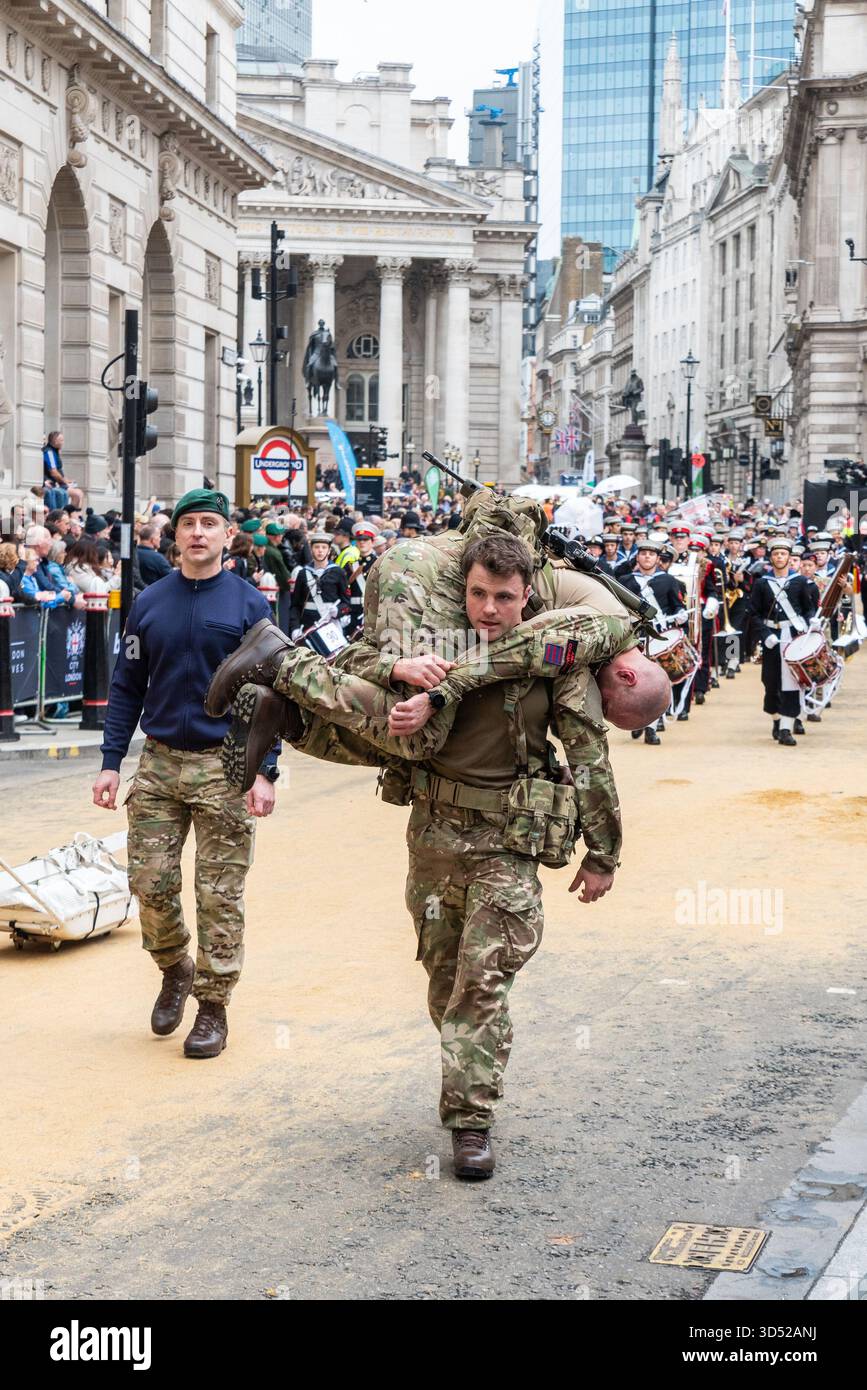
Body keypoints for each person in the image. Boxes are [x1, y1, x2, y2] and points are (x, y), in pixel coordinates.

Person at [207, 530, 670, 1177]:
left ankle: (470, 1122)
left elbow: (588, 756)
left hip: (506, 845)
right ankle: (284, 711)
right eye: (476, 593)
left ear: (526, 595)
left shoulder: (556, 660)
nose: (487, 608)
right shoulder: (430, 634)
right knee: (445, 983)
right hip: (433, 833)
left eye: (502, 597)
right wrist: (398, 670)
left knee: (482, 985)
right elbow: (358, 660)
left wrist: (603, 854)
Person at [91, 489, 280, 1059]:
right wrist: (108, 762)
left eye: (209, 524)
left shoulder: (251, 606)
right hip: (159, 763)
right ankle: (175, 967)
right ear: (175, 536)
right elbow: (126, 688)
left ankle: (214, 1008)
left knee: (219, 894)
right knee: (149, 883)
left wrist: (265, 770)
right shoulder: (149, 604)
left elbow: (275, 693)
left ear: (227, 535)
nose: (198, 533)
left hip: (226, 766)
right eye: (189, 524)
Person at [620, 538, 688, 744]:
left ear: (658, 559)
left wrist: (681, 614)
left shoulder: (668, 580)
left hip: (659, 637)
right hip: (634, 638)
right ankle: (637, 721)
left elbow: (677, 606)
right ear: (637, 557)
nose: (647, 557)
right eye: (643, 553)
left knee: (656, 683)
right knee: (633, 683)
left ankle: (652, 727)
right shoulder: (625, 581)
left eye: (652, 554)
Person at [748, 538, 815, 746]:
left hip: (793, 637)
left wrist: (810, 622)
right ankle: (776, 718)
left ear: (789, 557)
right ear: (771, 557)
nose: (780, 557)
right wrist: (765, 634)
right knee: (771, 683)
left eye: (783, 554)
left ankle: (786, 728)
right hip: (772, 639)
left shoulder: (799, 581)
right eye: (776, 554)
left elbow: (807, 608)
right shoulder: (762, 583)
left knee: (792, 683)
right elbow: (754, 613)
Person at [288, 529, 350, 638]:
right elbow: (295, 605)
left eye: (324, 547)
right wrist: (295, 628)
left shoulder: (338, 572)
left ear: (329, 550)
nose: (320, 551)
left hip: (331, 626)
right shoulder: (303, 573)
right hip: (308, 626)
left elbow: (347, 604)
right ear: (311, 550)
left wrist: (338, 611)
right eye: (316, 547)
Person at [42, 430, 72, 509]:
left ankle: (66, 515)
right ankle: (57, 516)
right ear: (55, 441)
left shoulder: (55, 452)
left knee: (65, 493)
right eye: (61, 440)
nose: (63, 442)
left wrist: (66, 480)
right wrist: (63, 481)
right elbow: (53, 472)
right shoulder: (49, 452)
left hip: (54, 483)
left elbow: (58, 470)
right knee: (62, 493)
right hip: (49, 483)